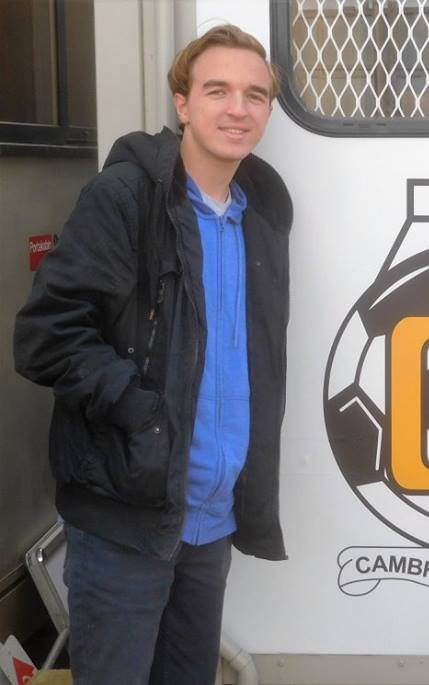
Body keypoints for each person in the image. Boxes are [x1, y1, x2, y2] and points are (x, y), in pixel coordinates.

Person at [14, 25, 292, 685]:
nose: (238, 109)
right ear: (183, 103)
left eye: (255, 95)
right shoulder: (125, 198)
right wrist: (145, 416)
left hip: (212, 521)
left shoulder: (261, 217)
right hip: (126, 516)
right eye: (217, 90)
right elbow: (47, 334)